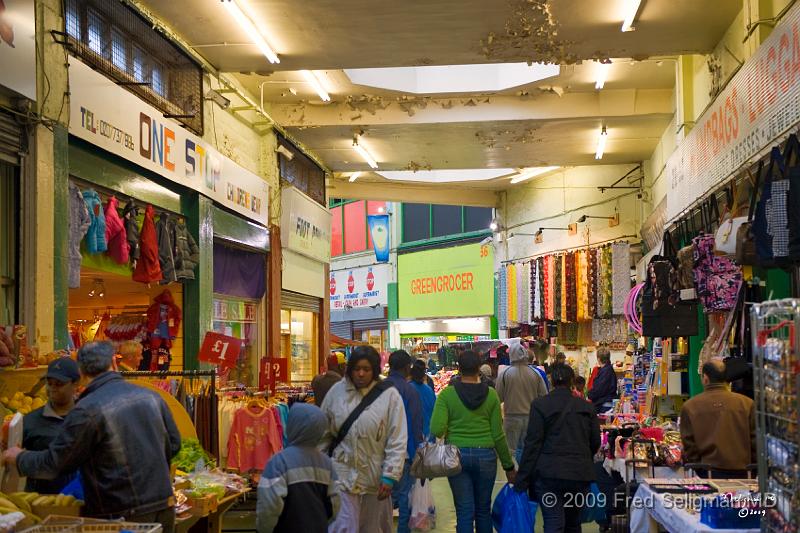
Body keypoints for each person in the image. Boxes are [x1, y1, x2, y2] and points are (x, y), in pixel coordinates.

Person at [3, 341, 181, 531]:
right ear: (113, 363)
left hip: (121, 514)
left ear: (81, 372)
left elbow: (55, 464)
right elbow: (174, 443)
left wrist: (18, 456)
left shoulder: (86, 409)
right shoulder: (151, 397)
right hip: (164, 505)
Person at [319, 345, 407, 533]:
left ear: (374, 370)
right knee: (343, 527)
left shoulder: (389, 396)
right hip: (341, 474)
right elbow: (323, 434)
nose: (360, 374)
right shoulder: (336, 392)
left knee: (373, 528)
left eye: (366, 369)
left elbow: (397, 439)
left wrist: (390, 475)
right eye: (356, 369)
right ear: (349, 369)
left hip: (376, 478)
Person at [430, 350, 516, 533]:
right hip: (486, 456)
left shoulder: (447, 395)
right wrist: (509, 466)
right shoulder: (492, 395)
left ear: (459, 369)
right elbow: (498, 434)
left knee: (464, 511)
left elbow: (436, 429)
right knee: (483, 510)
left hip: (456, 457)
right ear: (479, 368)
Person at [515, 364, 601, 533]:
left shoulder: (540, 405)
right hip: (578, 474)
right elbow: (595, 441)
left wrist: (522, 479)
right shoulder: (586, 407)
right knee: (573, 522)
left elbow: (533, 444)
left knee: (553, 521)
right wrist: (583, 457)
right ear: (572, 382)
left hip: (548, 474)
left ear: (551, 381)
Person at [257, 403, 340, 533]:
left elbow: (269, 505)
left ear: (292, 425)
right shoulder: (326, 463)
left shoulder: (279, 462)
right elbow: (335, 503)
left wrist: (264, 529)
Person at [679, 360, 755, 479]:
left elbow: (689, 444)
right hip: (743, 472)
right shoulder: (747, 404)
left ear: (705, 378)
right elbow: (755, 440)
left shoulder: (690, 407)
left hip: (708, 472)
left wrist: (699, 466)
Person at [22, 358, 81, 494]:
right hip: (40, 500)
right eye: (49, 383)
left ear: (75, 384)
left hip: (81, 500)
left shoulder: (87, 417)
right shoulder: (30, 421)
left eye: (59, 384)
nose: (53, 389)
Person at [385, 350, 424, 533]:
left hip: (379, 454)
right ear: (407, 367)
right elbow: (416, 425)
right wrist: (418, 453)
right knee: (405, 502)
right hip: (404, 454)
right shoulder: (410, 391)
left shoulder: (377, 388)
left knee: (380, 502)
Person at [496, 342, 548, 463]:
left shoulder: (504, 374)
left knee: (513, 451)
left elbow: (498, 397)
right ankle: (527, 473)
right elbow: (543, 397)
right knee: (528, 448)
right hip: (531, 418)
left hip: (511, 418)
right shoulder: (535, 373)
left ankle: (517, 474)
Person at [410, 359, 436, 440]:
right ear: (424, 375)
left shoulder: (408, 389)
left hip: (413, 436)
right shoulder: (429, 391)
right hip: (429, 435)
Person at [588, 346, 618, 414]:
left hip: (604, 405)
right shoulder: (607, 369)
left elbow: (598, 390)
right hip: (606, 403)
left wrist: (589, 394)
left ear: (598, 359)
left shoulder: (605, 371)